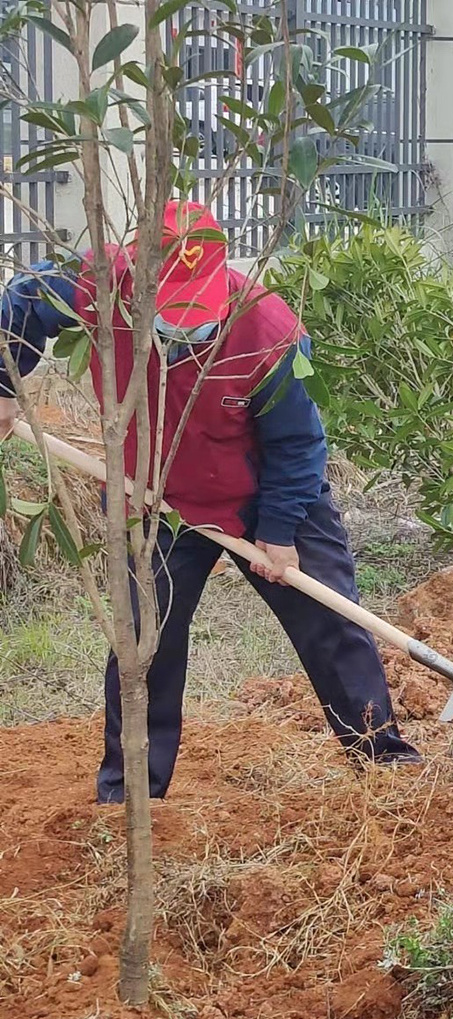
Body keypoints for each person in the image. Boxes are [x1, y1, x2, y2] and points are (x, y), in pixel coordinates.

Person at [0, 201, 422, 802]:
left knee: (331, 622)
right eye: (170, 313)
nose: (183, 328)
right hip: (153, 498)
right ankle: (131, 797)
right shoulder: (95, 285)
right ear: (138, 276)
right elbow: (19, 305)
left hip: (268, 490)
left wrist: (278, 533)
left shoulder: (268, 331)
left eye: (196, 313)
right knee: (145, 641)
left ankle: (384, 761)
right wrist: (3, 381)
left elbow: (299, 445)